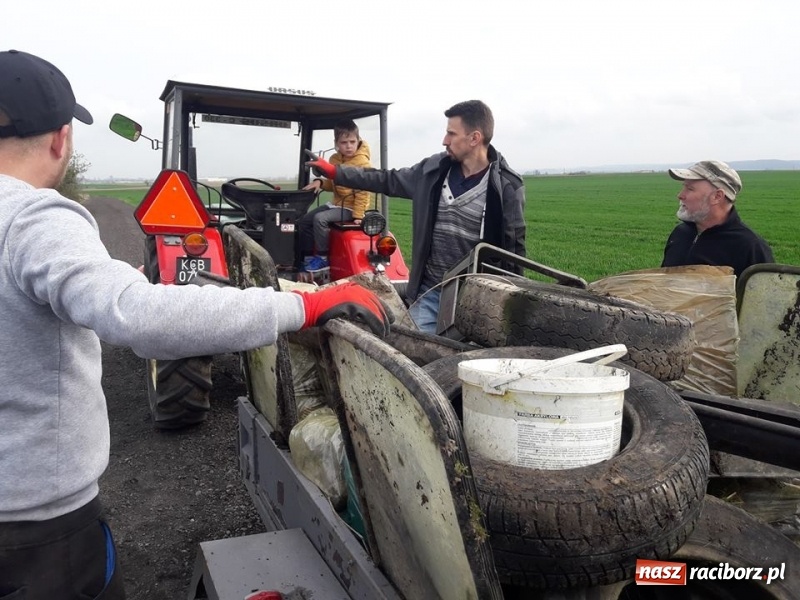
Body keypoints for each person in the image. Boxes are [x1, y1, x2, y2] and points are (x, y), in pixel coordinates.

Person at [0, 49, 390, 600]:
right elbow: (138, 314)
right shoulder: (34, 218)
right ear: (62, 139)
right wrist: (302, 305)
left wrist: (124, 278)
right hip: (36, 533)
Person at [306, 100, 527, 332]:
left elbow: (513, 255)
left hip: (476, 301)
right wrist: (336, 172)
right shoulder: (432, 171)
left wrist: (510, 311)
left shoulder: (506, 188)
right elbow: (386, 179)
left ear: (474, 138)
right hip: (431, 292)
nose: (445, 140)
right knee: (409, 352)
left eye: (451, 134)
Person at [661, 160, 774, 278]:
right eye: (683, 187)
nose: (680, 195)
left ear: (717, 196)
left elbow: (767, 294)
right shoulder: (680, 233)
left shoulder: (750, 247)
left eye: (690, 189)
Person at [298, 119, 372, 270]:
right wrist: (320, 182)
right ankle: (306, 257)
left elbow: (363, 192)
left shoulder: (363, 163)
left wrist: (358, 216)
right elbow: (334, 183)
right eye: (344, 142)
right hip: (337, 204)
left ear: (358, 140)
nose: (349, 146)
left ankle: (323, 258)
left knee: (320, 219)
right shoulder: (334, 159)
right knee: (304, 221)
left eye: (352, 141)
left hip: (351, 208)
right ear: (336, 143)